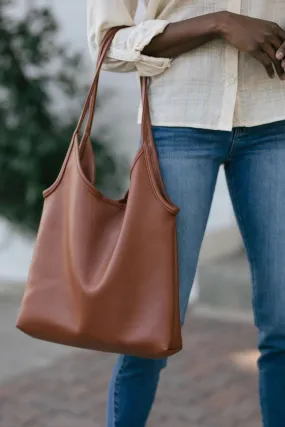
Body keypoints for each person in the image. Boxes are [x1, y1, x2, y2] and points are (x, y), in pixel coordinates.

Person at [87, 1, 285, 426]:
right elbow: (108, 42)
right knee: (150, 325)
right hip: (178, 125)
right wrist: (219, 23)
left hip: (277, 119)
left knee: (284, 322)